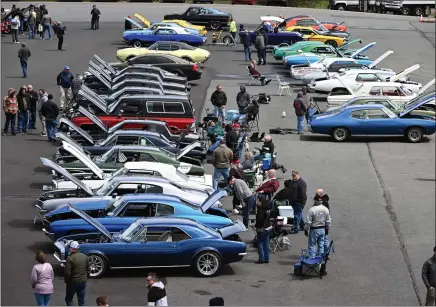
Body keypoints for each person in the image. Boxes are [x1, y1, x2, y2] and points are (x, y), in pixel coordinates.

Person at [304, 191, 331, 258]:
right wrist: (327, 228)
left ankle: (312, 257)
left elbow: (308, 221)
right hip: (322, 229)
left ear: (314, 200)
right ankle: (319, 258)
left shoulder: (312, 209)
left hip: (314, 229)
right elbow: (328, 221)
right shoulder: (325, 209)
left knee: (312, 244)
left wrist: (306, 229)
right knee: (321, 244)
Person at [64, 241, 90, 306]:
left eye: (70, 247)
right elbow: (88, 270)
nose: (69, 249)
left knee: (69, 299)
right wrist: (86, 277)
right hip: (83, 281)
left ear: (73, 249)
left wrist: (67, 281)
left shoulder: (70, 258)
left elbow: (67, 273)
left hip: (73, 282)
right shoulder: (85, 256)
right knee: (81, 301)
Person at [255, 198, 272, 264]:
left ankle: (261, 259)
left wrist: (256, 226)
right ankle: (267, 258)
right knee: (266, 244)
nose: (257, 202)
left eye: (258, 201)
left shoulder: (260, 210)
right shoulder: (267, 209)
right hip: (268, 228)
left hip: (262, 229)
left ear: (261, 202)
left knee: (259, 243)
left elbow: (260, 219)